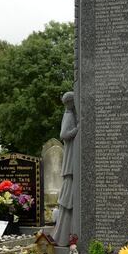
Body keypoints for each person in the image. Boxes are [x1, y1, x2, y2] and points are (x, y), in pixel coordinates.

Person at [52, 92, 77, 244]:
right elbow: (63, 134)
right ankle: (62, 235)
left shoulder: (70, 113)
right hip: (70, 158)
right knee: (68, 194)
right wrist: (77, 129)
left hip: (73, 156)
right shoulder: (68, 115)